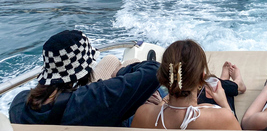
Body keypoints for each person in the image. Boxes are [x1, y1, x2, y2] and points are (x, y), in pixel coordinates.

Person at [9, 30, 160, 126]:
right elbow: (154, 71)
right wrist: (121, 73)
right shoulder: (96, 96)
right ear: (84, 69)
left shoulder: (19, 103)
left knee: (110, 59)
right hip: (107, 119)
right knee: (132, 66)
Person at [131, 39, 242, 130]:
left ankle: (228, 80)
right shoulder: (222, 117)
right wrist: (224, 105)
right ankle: (234, 82)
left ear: (163, 77)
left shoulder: (143, 114)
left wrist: (165, 100)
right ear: (201, 79)